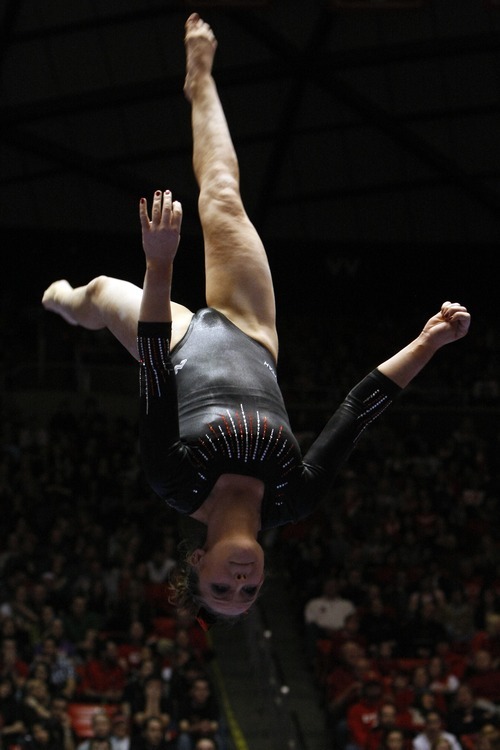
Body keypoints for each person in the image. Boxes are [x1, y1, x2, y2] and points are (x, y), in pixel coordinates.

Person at [41, 13, 471, 625]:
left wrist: (158, 265)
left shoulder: (175, 481)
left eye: (221, 589)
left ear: (197, 561)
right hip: (250, 331)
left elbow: (157, 364)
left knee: (102, 292)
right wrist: (429, 340)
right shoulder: (295, 496)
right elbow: (357, 410)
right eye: (248, 593)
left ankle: (64, 302)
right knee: (221, 194)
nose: (239, 585)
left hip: (179, 341)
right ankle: (201, 79)